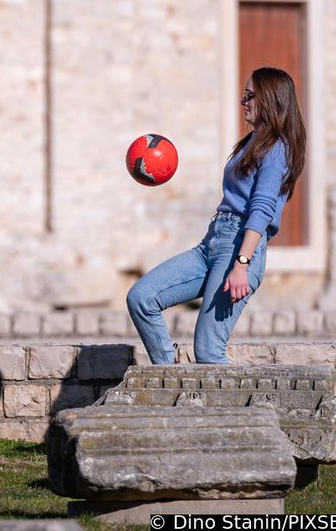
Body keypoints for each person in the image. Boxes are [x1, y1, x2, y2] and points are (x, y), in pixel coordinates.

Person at [127, 66, 306, 364]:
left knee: (209, 353)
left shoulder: (277, 150)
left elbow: (261, 210)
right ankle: (169, 379)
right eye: (243, 95)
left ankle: (247, 408)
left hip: (239, 249)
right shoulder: (252, 143)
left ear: (271, 100)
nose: (243, 102)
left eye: (250, 96)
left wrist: (242, 265)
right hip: (212, 243)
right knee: (142, 298)